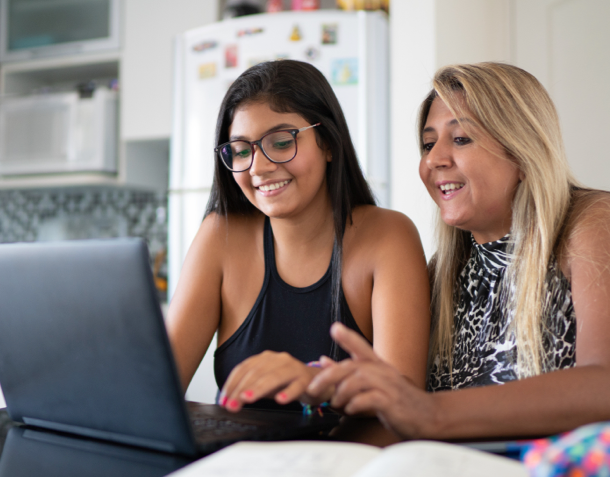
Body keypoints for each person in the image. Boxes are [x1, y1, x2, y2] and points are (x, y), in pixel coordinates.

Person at [307, 62, 610, 438]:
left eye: (460, 138)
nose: (433, 159)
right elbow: (394, 410)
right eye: (428, 143)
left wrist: (429, 413)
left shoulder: (596, 222)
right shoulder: (445, 272)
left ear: (523, 152)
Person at [165, 59, 430, 412]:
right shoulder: (219, 237)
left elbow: (407, 411)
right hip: (237, 462)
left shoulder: (388, 237)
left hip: (347, 463)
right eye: (242, 150)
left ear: (328, 143)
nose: (258, 167)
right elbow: (159, 391)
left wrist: (317, 383)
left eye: (280, 141)